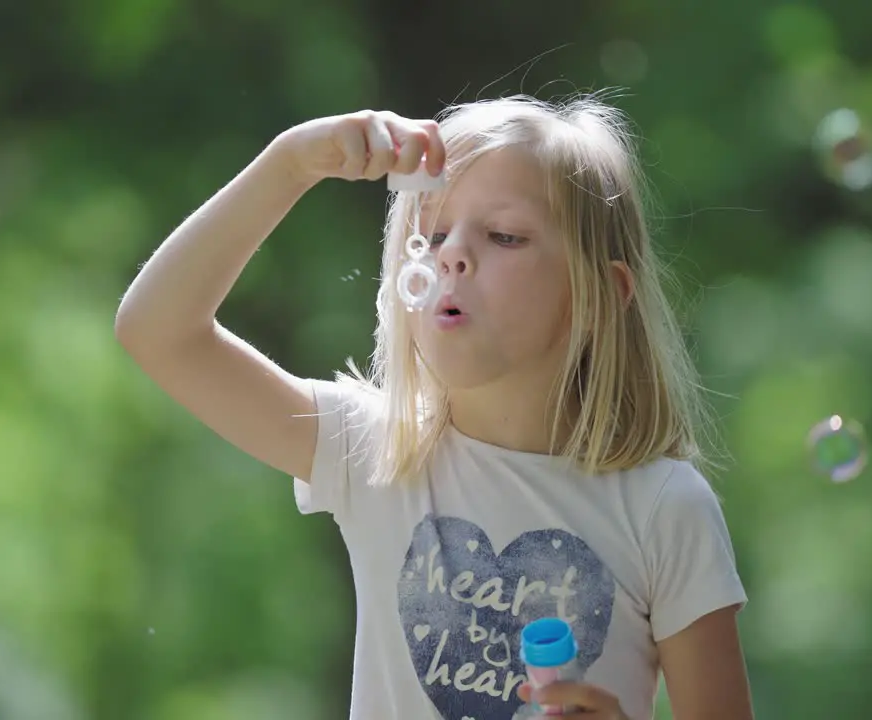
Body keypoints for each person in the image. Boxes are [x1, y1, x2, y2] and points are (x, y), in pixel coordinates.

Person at [115, 94, 754, 720]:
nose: (451, 254)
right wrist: (291, 164)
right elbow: (157, 331)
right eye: (435, 233)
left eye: (504, 235)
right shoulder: (371, 451)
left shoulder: (664, 508)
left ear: (600, 294)